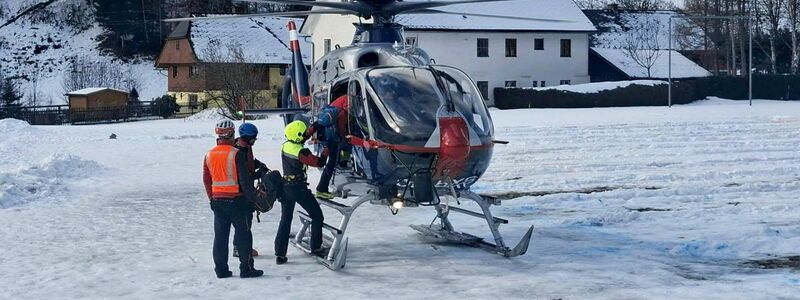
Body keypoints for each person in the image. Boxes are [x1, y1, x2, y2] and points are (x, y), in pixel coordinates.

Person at [203, 120, 263, 278]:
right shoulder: (236, 154)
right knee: (244, 236)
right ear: (231, 134)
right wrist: (252, 201)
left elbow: (207, 180)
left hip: (218, 201)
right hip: (237, 201)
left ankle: (221, 271)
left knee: (220, 238)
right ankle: (246, 269)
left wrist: (211, 199)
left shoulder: (209, 154)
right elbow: (245, 180)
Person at [275, 120, 328, 265]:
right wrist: (325, 153)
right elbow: (318, 163)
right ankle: (316, 247)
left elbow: (300, 137)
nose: (306, 135)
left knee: (285, 219)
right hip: (298, 188)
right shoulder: (302, 151)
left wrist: (313, 128)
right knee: (317, 216)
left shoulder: (286, 145)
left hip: (285, 186)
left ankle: (280, 254)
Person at [232, 122, 268, 258]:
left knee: (248, 220)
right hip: (240, 191)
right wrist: (258, 175)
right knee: (244, 221)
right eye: (252, 138)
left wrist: (259, 164)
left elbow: (250, 161)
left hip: (246, 189)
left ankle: (242, 247)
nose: (254, 140)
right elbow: (243, 177)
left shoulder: (246, 147)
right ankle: (240, 248)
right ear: (245, 137)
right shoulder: (238, 151)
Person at [306, 95, 349, 200]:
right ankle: (322, 189)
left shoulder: (330, 110)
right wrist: (345, 137)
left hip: (326, 139)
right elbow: (342, 127)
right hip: (333, 140)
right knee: (331, 164)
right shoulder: (342, 112)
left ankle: (323, 187)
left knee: (330, 163)